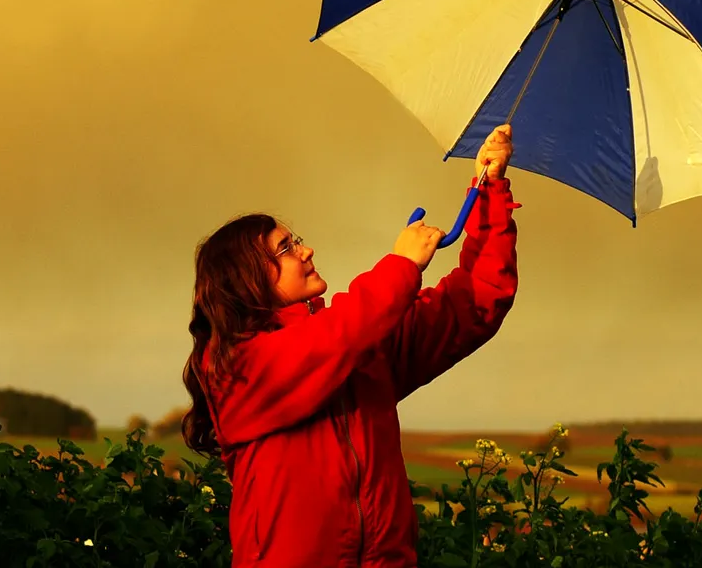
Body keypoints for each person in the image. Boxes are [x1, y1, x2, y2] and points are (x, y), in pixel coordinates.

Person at [179, 125, 520, 567]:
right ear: (247, 280)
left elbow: (477, 300)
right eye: (286, 248)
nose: (306, 251)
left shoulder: (359, 344)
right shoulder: (234, 365)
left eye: (296, 241)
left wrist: (488, 189)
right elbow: (326, 345)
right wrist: (401, 266)